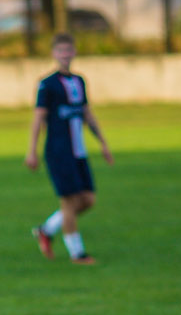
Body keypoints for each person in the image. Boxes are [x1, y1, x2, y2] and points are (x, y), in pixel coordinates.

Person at [26, 34, 115, 265]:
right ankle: (78, 254)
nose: (65, 54)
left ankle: (46, 229)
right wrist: (32, 151)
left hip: (78, 151)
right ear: (54, 54)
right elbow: (38, 118)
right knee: (69, 203)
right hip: (58, 151)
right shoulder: (47, 84)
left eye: (68, 50)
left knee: (87, 200)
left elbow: (86, 113)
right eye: (60, 50)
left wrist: (103, 143)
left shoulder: (79, 81)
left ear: (74, 52)